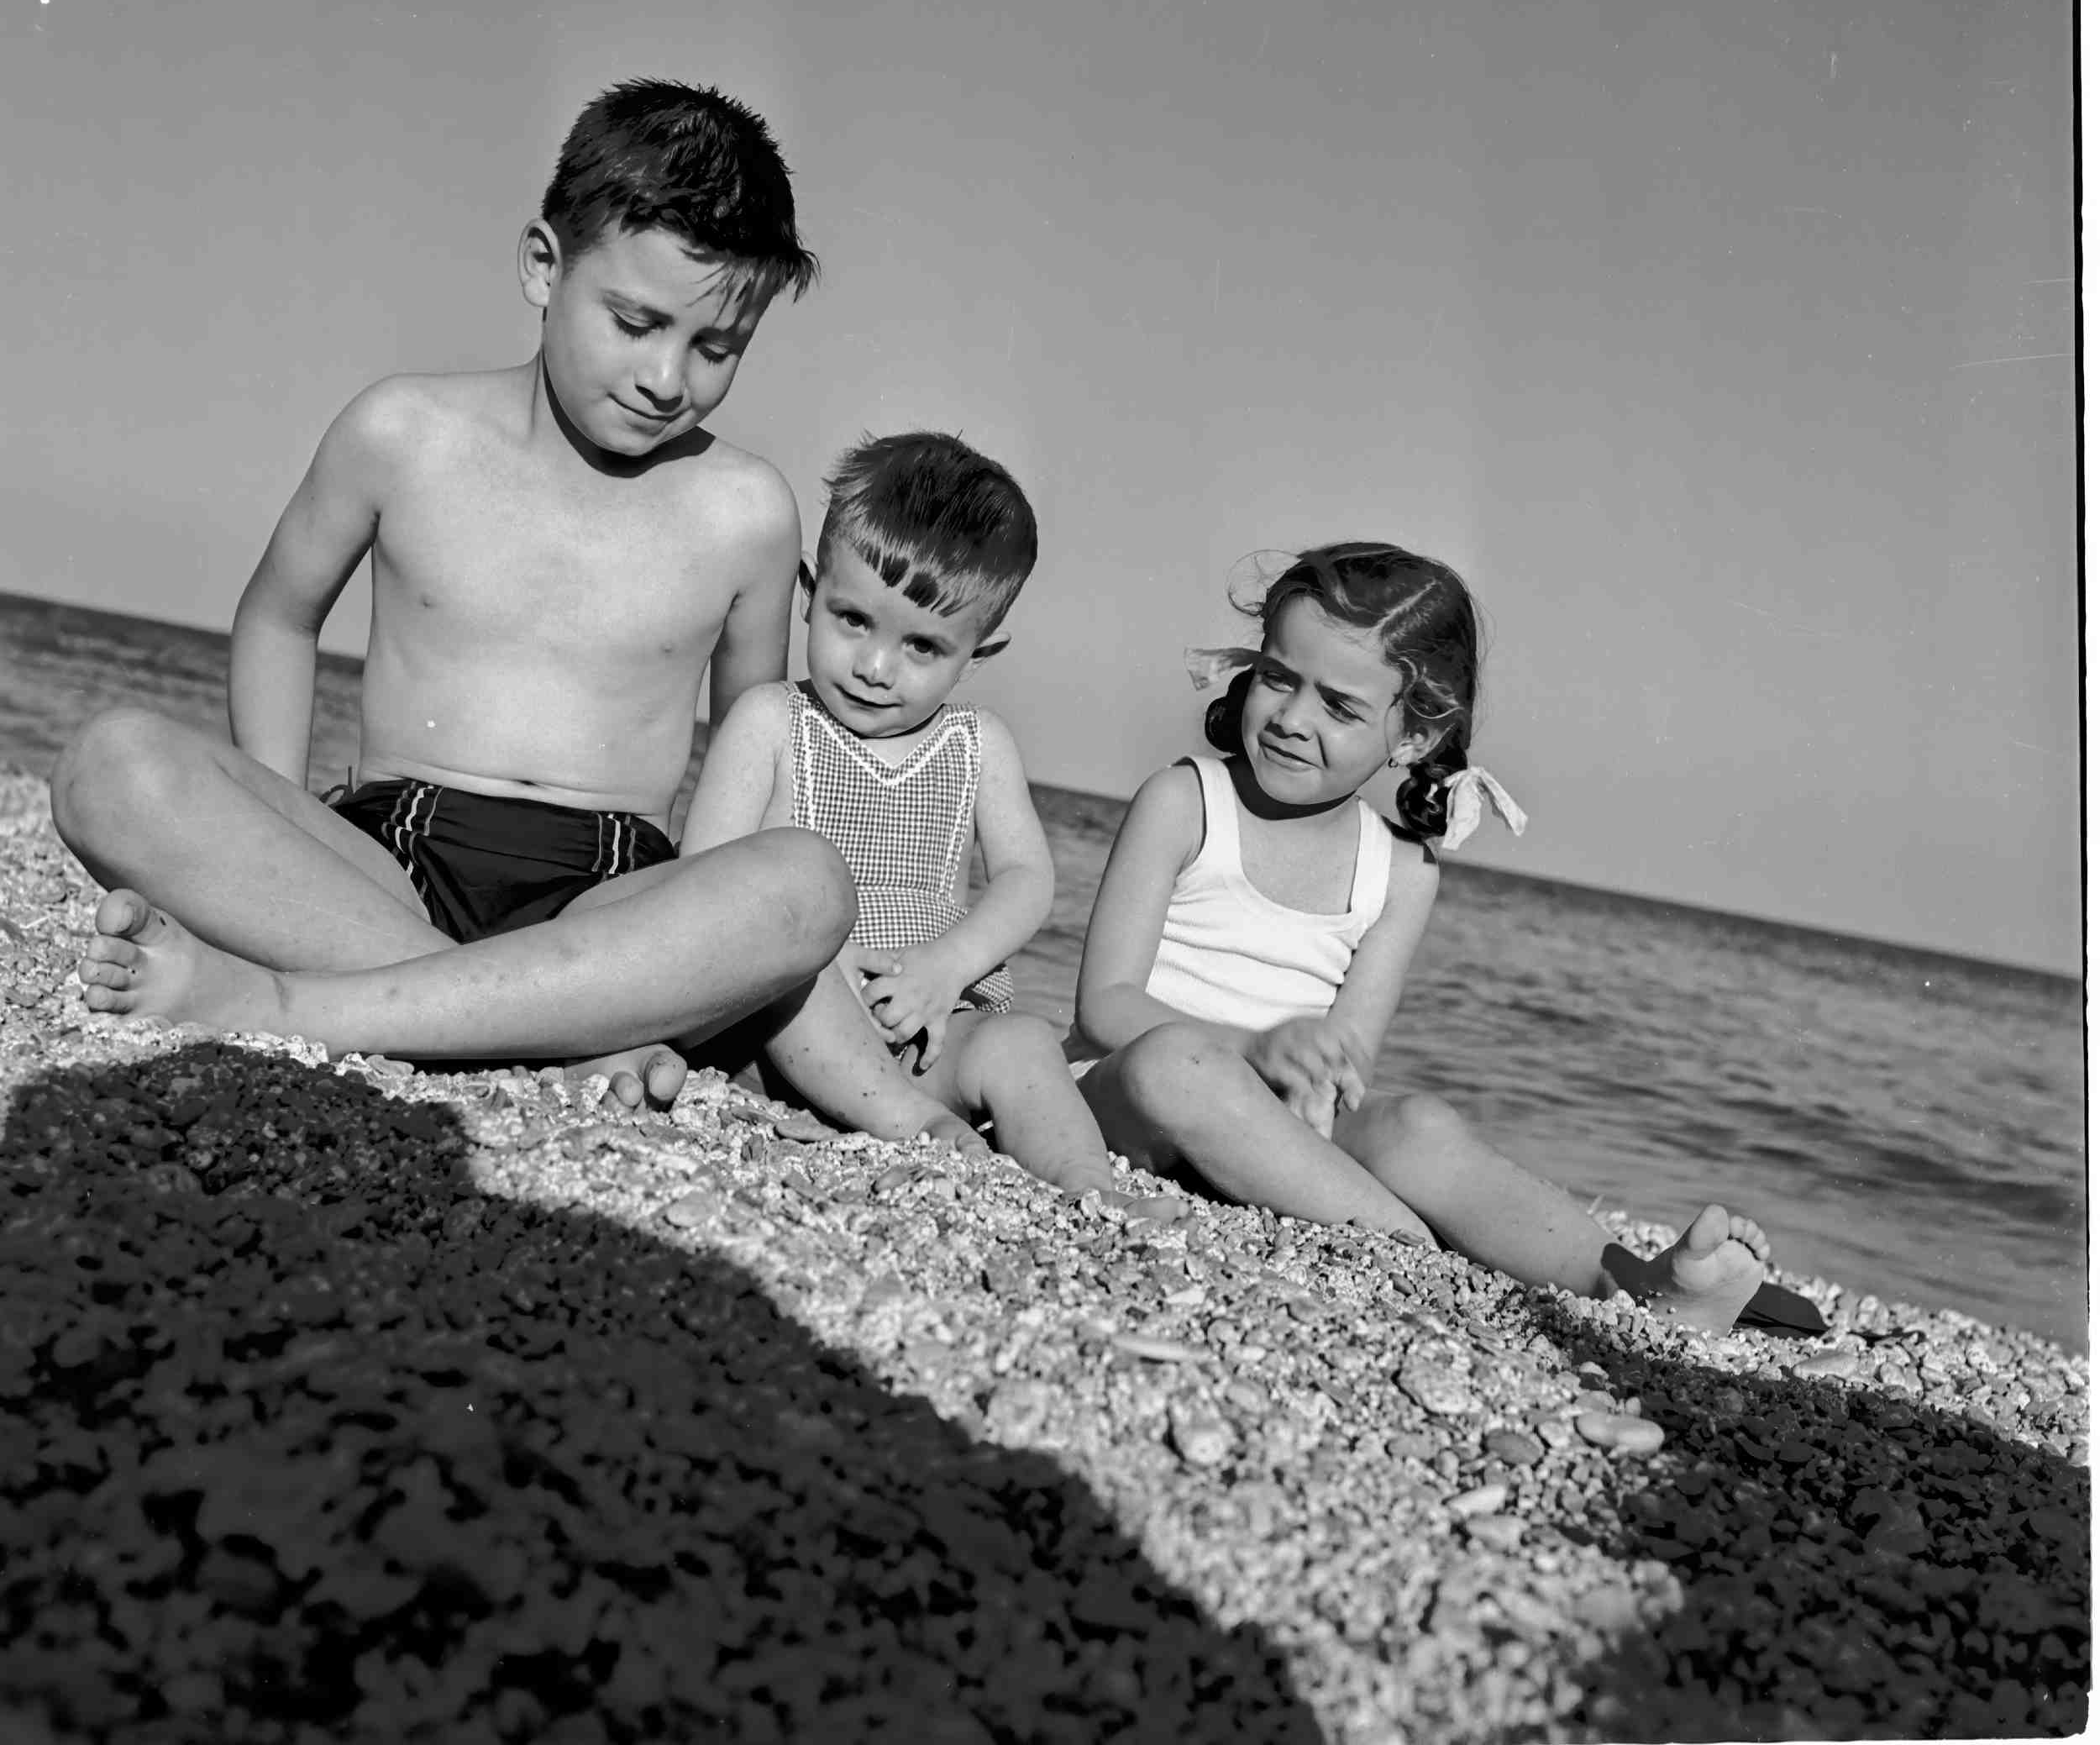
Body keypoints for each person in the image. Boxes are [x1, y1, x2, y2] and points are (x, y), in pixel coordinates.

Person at [50, 80, 962, 1139]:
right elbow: (279, 619)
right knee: (110, 763)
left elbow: (753, 753)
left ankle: (299, 1002)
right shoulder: (402, 431)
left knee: (807, 883)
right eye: (634, 322)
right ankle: (553, 1031)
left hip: (606, 895)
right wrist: (276, 822)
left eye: (716, 348)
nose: (667, 377)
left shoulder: (746, 513)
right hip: (383, 862)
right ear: (542, 264)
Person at [1070, 541, 1772, 1330]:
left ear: (1411, 740)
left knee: (1420, 1125)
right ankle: (1408, 1246)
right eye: (1277, 678)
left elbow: (1347, 1065)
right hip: (1132, 1101)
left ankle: (1634, 1288)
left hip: (1280, 1132)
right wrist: (1252, 1048)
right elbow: (1106, 1004)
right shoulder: (1183, 801)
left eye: (1339, 708)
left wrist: (1311, 1084)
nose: (1293, 719)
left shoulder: (1402, 870)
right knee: (1178, 1064)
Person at [681, 431, 1179, 1214]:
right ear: (810, 591)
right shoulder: (769, 723)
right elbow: (704, 879)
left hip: (928, 1029)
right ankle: (914, 1128)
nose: (876, 668)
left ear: (976, 655)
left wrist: (947, 968)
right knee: (790, 968)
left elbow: (1026, 879)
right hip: (784, 1026)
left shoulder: (979, 745)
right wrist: (820, 956)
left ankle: (1088, 1189)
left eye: (922, 646)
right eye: (852, 619)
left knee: (1022, 1044)